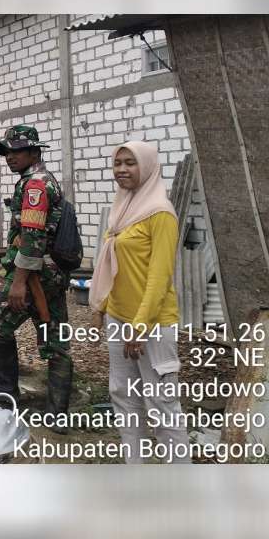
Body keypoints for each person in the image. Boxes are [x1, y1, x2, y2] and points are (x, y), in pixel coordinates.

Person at [90, 141, 191, 463]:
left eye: (130, 163)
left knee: (162, 404)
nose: (121, 169)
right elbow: (110, 266)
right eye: (117, 162)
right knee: (124, 397)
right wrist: (102, 307)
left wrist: (139, 327)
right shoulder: (123, 208)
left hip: (153, 326)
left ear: (146, 166)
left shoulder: (161, 214)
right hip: (119, 319)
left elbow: (159, 279)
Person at [0, 125, 73, 422]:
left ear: (34, 151)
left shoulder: (34, 185)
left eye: (17, 151)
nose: (10, 157)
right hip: (52, 272)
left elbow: (32, 237)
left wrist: (18, 282)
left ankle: (8, 392)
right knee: (55, 339)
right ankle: (58, 414)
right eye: (7, 151)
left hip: (35, 274)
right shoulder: (43, 179)